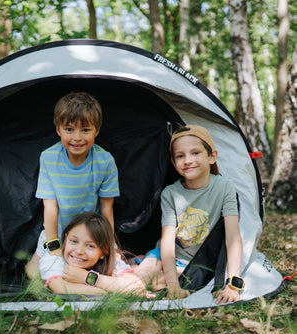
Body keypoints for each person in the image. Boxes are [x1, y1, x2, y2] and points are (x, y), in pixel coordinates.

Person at [134, 125, 244, 304]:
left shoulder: (224, 187)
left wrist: (232, 285)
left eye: (195, 153)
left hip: (193, 262)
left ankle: (139, 262)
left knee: (155, 283)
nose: (188, 160)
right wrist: (173, 286)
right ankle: (140, 261)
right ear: (173, 163)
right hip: (165, 254)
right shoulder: (170, 193)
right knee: (138, 280)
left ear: (212, 156)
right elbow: (168, 243)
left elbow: (233, 238)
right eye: (180, 156)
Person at [25, 92, 120, 279]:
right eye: (69, 129)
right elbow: (50, 207)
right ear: (58, 130)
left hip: (91, 235)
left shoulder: (105, 161)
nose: (77, 137)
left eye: (85, 130)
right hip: (58, 231)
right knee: (32, 274)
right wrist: (54, 246)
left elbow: (106, 207)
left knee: (111, 271)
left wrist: (107, 243)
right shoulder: (49, 158)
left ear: (97, 130)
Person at [39, 212, 147, 295]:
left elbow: (137, 289)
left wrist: (88, 277)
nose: (79, 251)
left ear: (103, 252)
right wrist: (105, 291)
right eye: (74, 241)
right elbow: (61, 288)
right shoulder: (54, 259)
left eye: (90, 246)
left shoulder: (112, 263)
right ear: (66, 239)